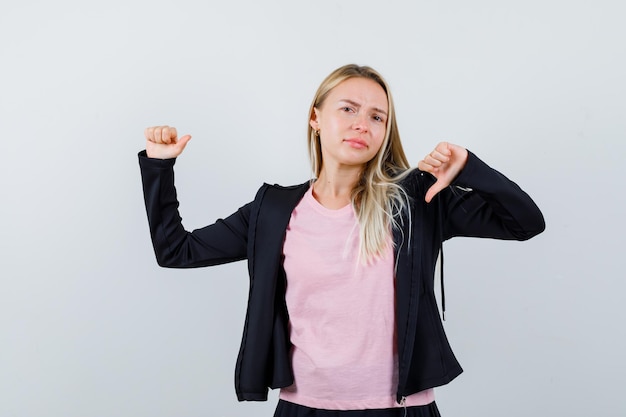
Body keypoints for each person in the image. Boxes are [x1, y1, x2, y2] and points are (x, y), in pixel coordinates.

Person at [138, 64, 545, 417]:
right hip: (304, 409)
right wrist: (160, 166)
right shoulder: (274, 210)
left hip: (404, 410)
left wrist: (470, 169)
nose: (361, 124)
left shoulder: (417, 199)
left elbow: (525, 223)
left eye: (376, 117)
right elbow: (177, 250)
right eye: (348, 109)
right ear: (316, 118)